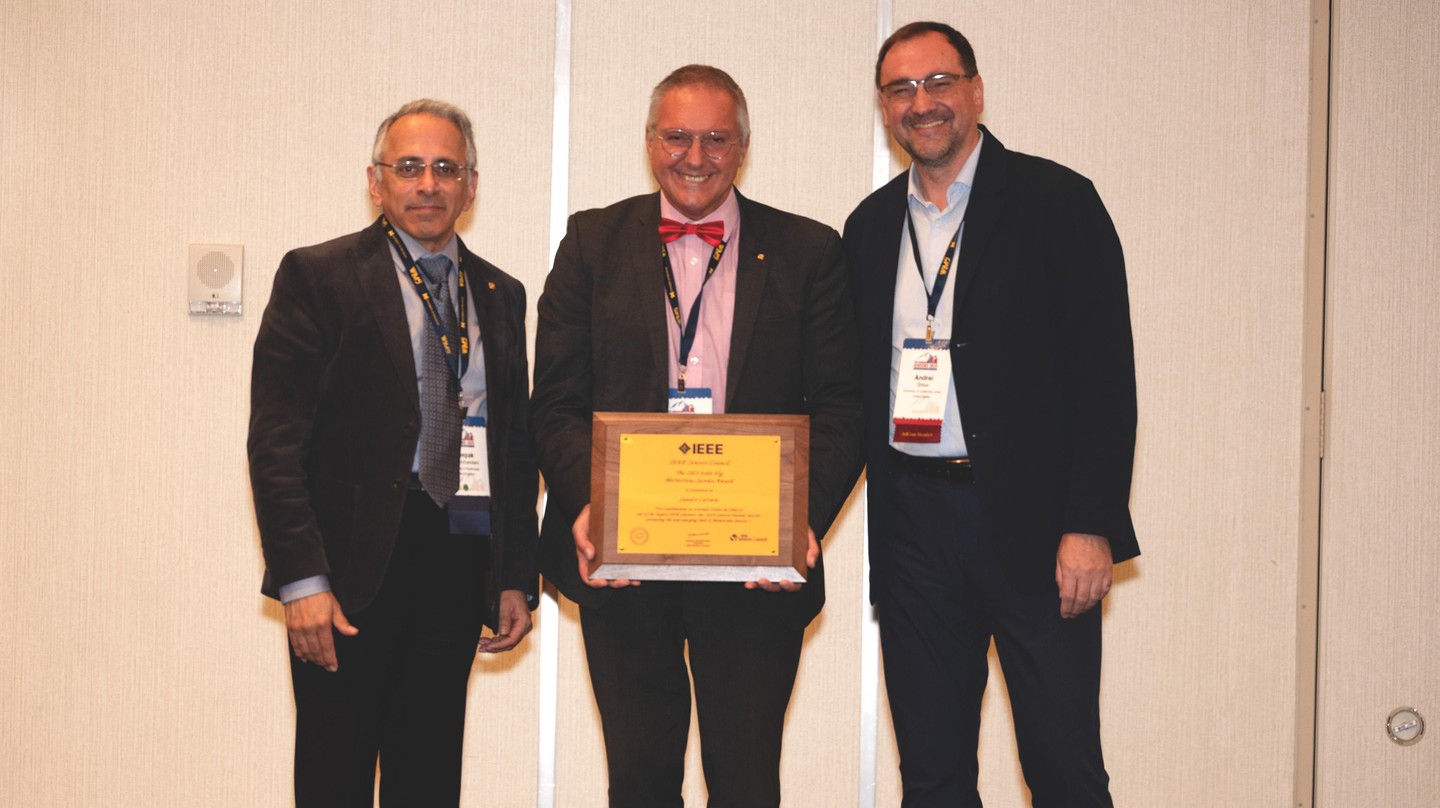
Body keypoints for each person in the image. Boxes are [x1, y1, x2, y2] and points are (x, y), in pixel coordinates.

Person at [531, 64, 864, 807]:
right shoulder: (591, 241)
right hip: (623, 562)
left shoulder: (809, 250)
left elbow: (843, 407)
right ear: (650, 141)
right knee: (639, 780)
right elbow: (555, 400)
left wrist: (799, 522)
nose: (695, 156)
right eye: (677, 136)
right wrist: (590, 507)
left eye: (716, 138)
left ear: (743, 145)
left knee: (746, 782)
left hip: (754, 568)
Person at [843, 22, 1140, 807]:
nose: (922, 103)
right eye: (901, 89)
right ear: (884, 106)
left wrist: (1091, 523)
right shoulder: (869, 228)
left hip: (1037, 528)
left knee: (1063, 767)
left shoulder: (1057, 201)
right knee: (932, 774)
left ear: (975, 91)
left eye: (939, 82)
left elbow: (1106, 377)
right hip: (913, 529)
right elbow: (851, 392)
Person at [247, 98, 538, 806]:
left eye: (446, 168)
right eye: (409, 167)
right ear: (376, 182)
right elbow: (276, 443)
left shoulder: (500, 293)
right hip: (346, 572)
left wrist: (513, 576)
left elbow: (512, 445)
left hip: (457, 556)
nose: (428, 183)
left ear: (472, 186)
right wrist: (302, 581)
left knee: (429, 780)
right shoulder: (318, 276)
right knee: (335, 777)